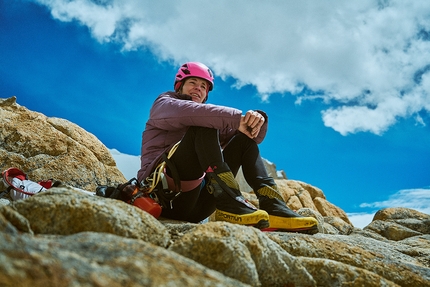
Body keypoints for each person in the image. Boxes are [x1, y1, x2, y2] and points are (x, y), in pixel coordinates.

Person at [137, 62, 318, 233]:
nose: (197, 88)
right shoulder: (164, 103)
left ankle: (274, 207)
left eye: (203, 86)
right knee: (205, 122)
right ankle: (231, 201)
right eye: (192, 82)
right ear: (179, 86)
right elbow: (191, 113)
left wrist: (255, 121)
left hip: (200, 206)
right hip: (167, 198)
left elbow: (250, 136)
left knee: (243, 141)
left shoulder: (204, 118)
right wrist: (236, 118)